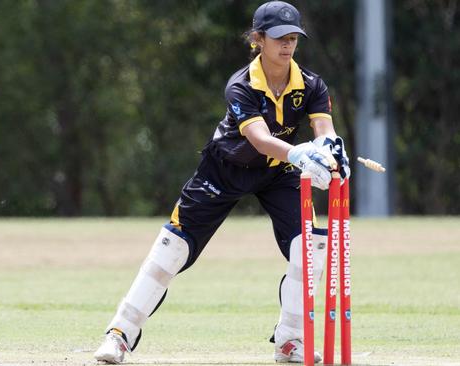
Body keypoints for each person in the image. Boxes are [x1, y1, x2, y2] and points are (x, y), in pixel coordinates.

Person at [93, 1, 350, 364]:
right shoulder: (241, 85)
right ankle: (119, 334)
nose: (287, 45)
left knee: (309, 247)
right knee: (172, 248)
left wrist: (332, 154)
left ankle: (290, 339)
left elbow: (325, 131)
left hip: (276, 174)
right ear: (258, 39)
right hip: (223, 169)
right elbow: (259, 139)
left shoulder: (311, 84)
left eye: (293, 37)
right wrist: (299, 154)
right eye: (278, 37)